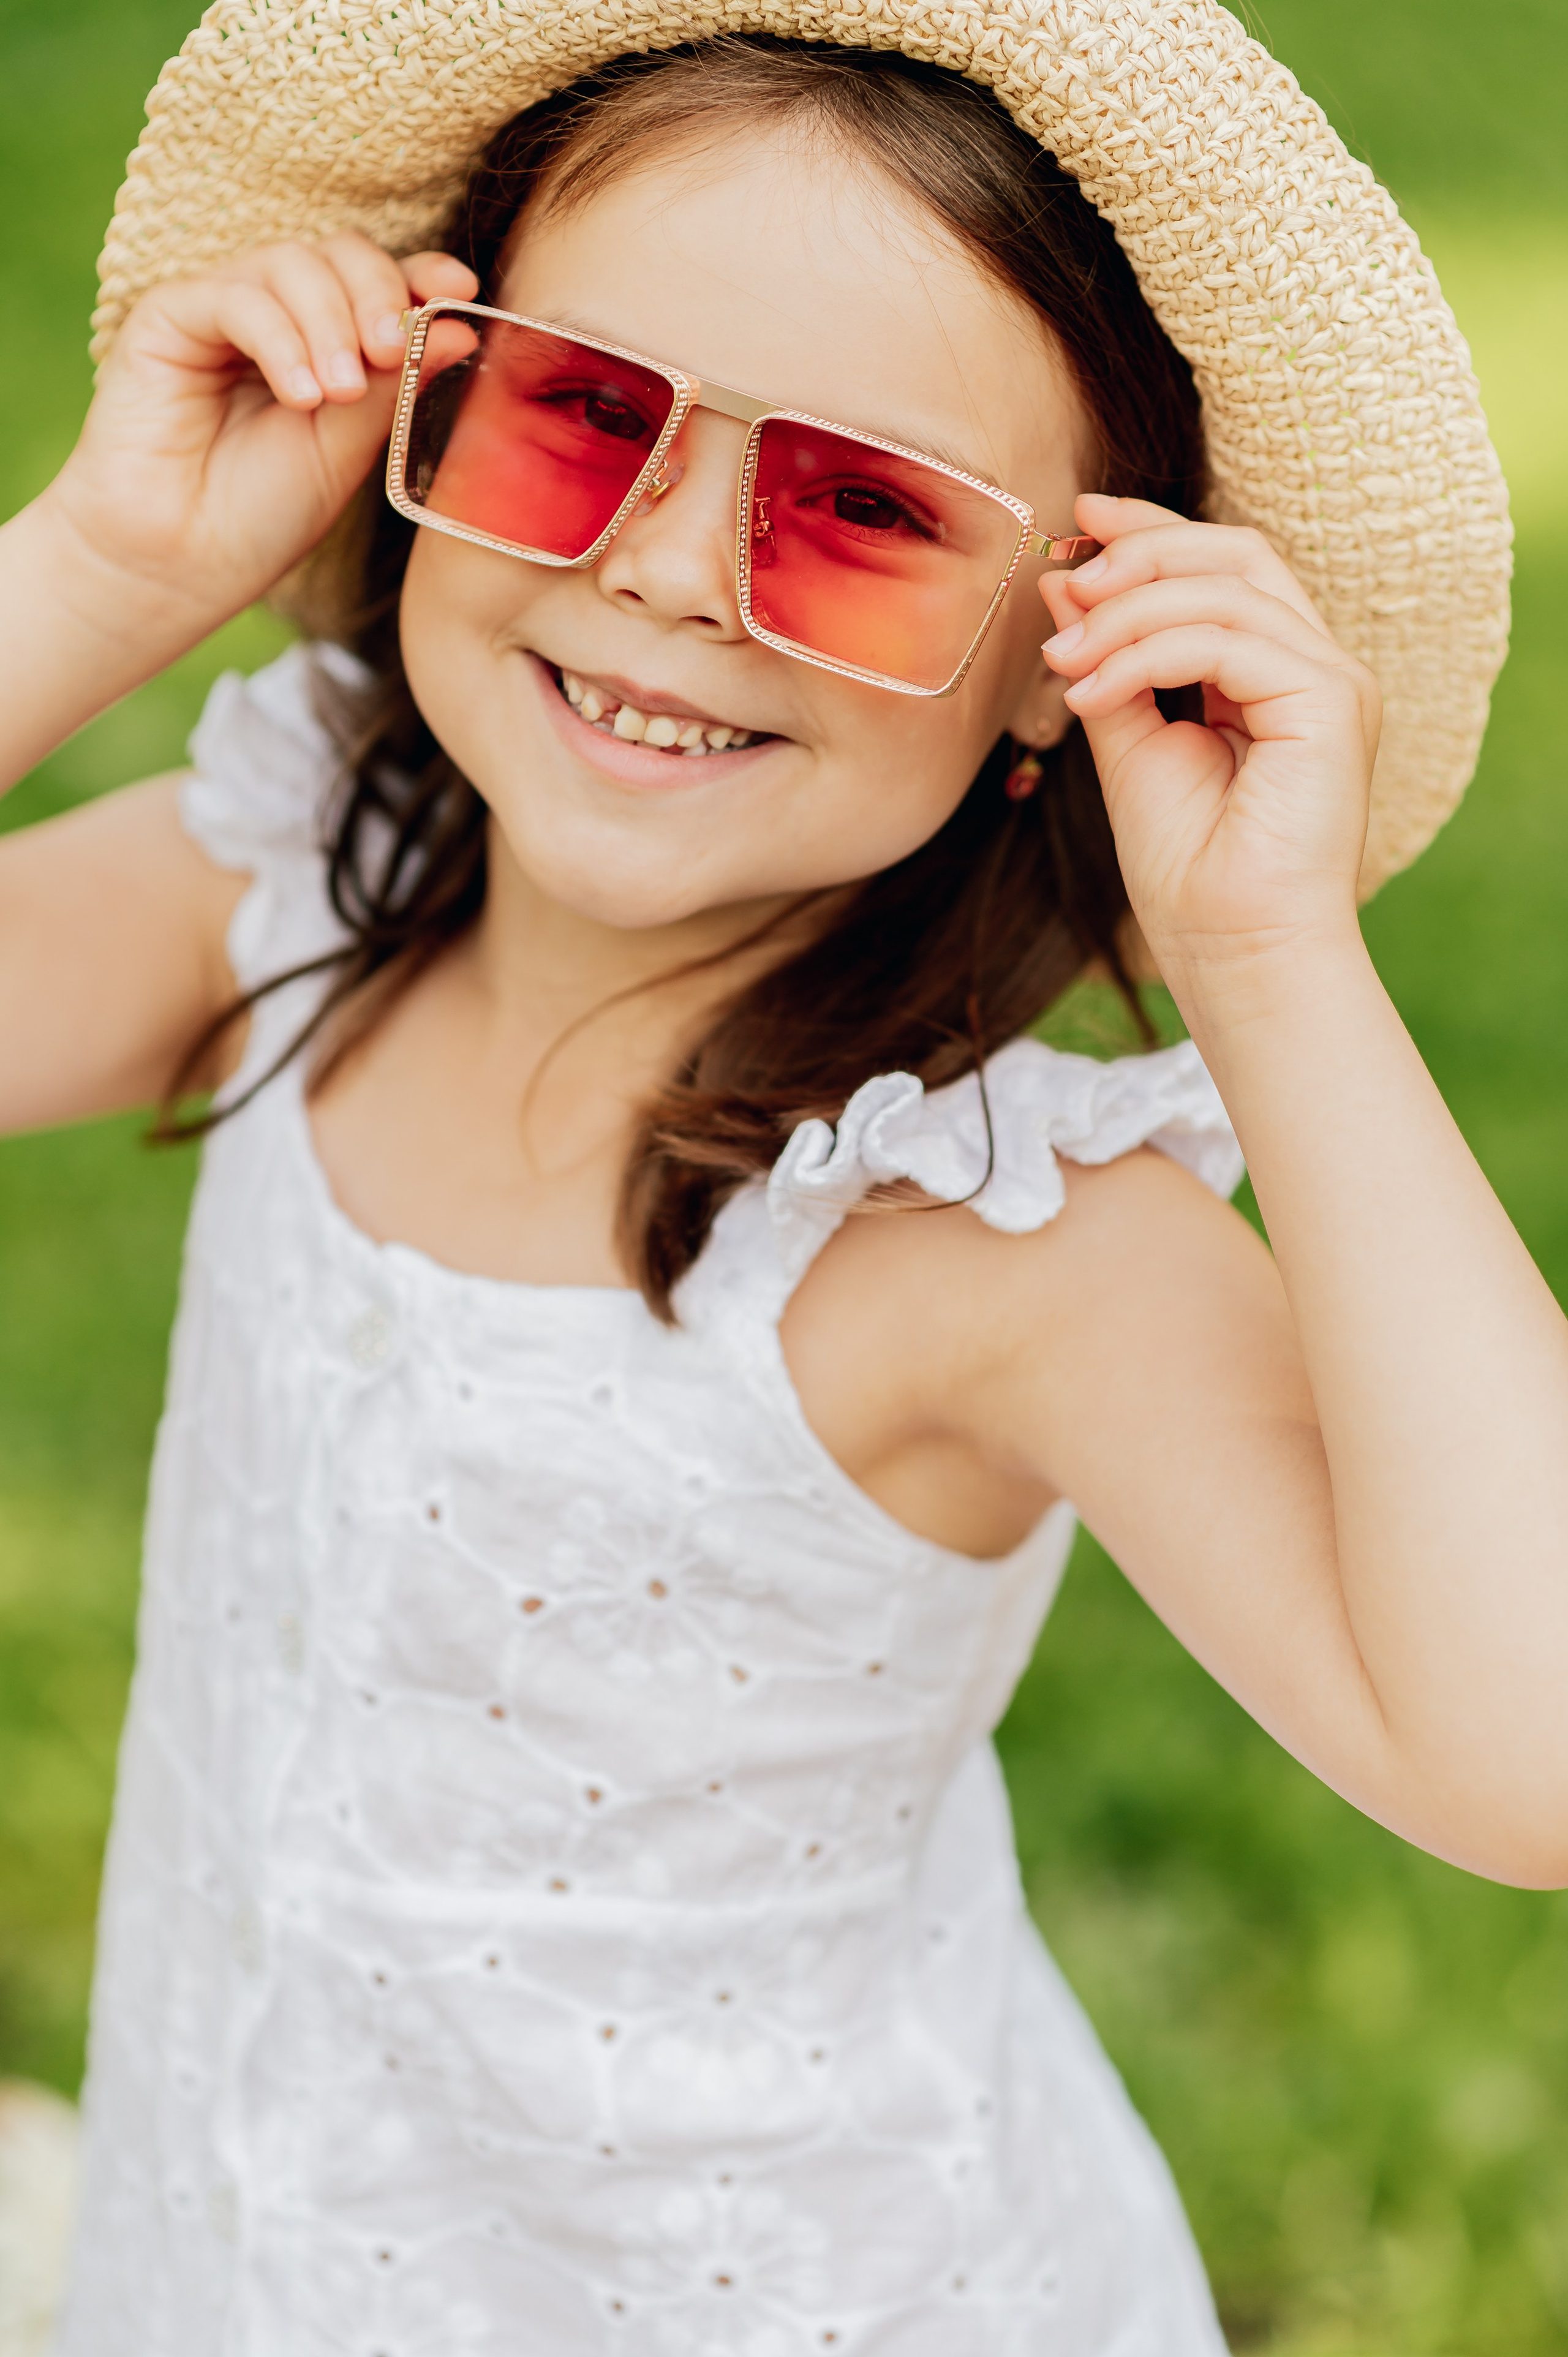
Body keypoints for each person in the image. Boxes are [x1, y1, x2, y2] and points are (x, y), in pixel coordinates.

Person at [0, 8, 1561, 2350]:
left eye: (860, 513)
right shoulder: (293, 895)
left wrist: (1269, 957)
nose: (670, 576)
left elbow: (1527, 1750)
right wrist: (103, 562)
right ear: (427, 397)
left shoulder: (987, 1243)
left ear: (1070, 660)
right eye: (586, 415)